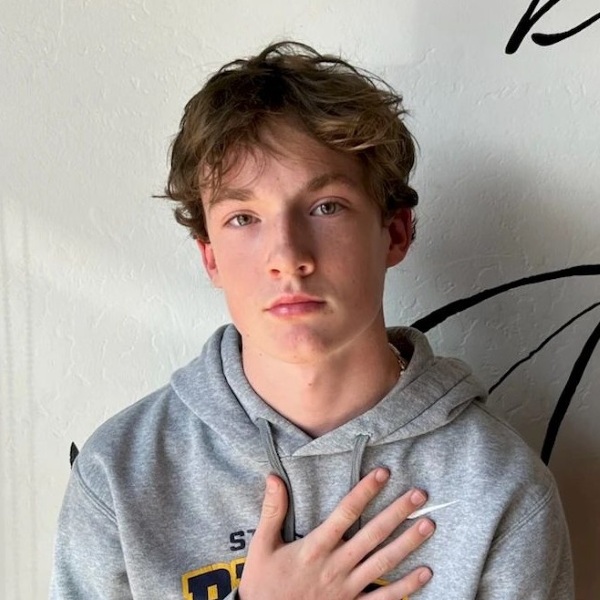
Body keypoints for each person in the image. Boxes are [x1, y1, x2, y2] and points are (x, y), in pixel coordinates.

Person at [50, 41, 574, 599]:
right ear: (210, 257)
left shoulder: (499, 488)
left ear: (395, 233)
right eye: (243, 217)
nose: (287, 256)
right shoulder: (119, 476)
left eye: (326, 207)